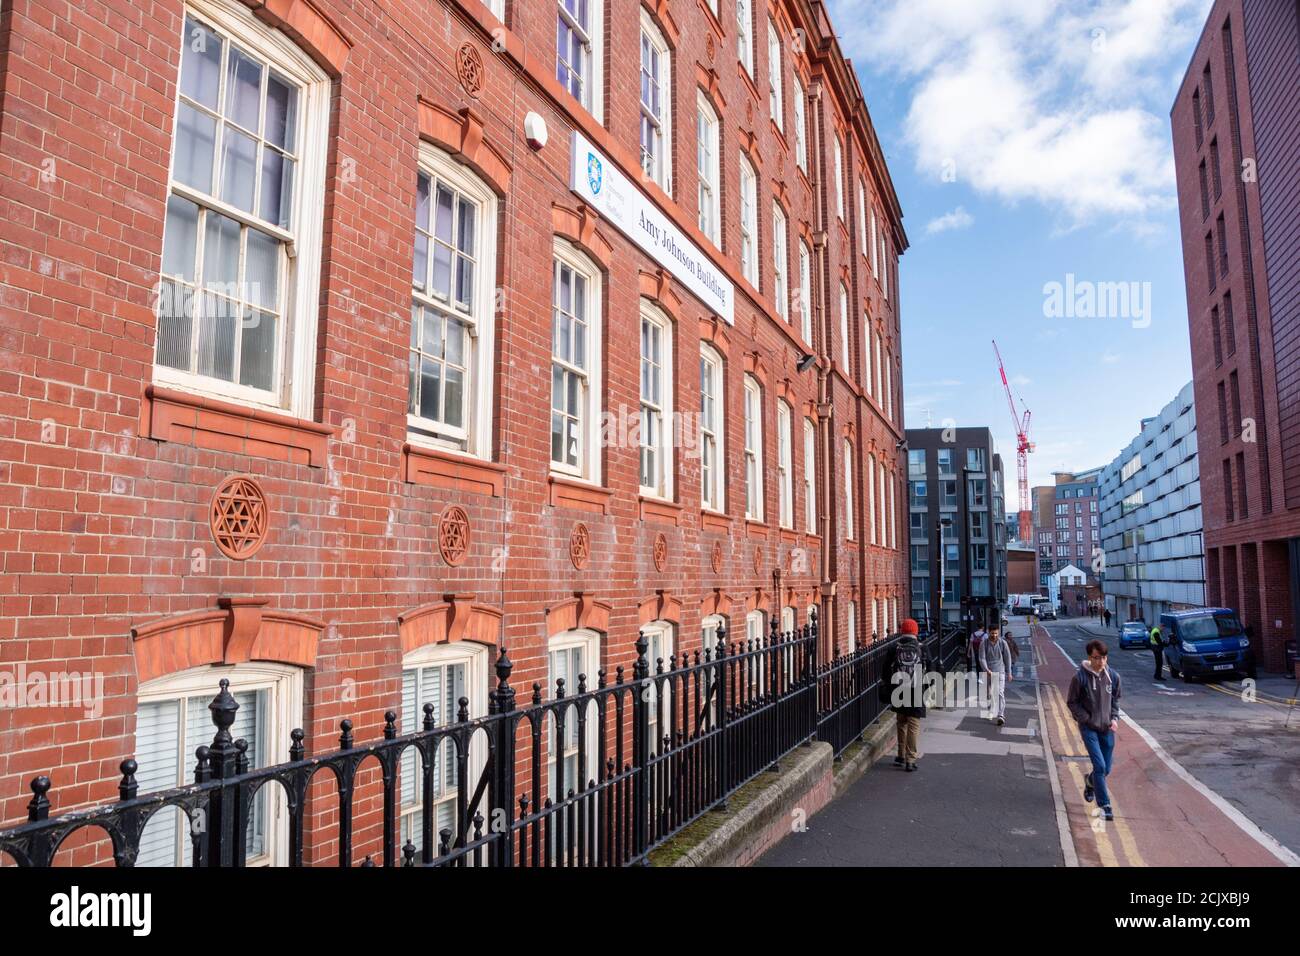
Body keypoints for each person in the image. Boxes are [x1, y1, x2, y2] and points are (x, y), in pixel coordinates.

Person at [1066, 640, 1122, 821]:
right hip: (1089, 728)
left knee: (1106, 769)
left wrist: (1114, 718)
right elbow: (1072, 702)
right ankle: (1104, 805)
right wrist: (1085, 718)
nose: (1101, 662)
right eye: (1097, 658)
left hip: (1107, 728)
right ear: (1089, 657)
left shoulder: (1113, 676)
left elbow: (1116, 700)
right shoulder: (1080, 678)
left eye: (1104, 658)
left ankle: (1090, 782)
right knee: (1099, 766)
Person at [881, 619, 929, 771]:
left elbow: (885, 670)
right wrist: (925, 687)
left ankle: (900, 755)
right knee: (913, 725)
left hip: (899, 690)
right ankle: (911, 759)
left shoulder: (893, 648)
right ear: (915, 631)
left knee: (901, 723)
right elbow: (932, 670)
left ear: (902, 631)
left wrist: (891, 686)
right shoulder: (922, 647)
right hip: (915, 690)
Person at [979, 624, 1014, 725]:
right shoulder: (984, 643)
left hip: (1000, 671)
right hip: (988, 672)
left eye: (996, 633)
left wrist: (1009, 673)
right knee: (989, 694)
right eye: (992, 633)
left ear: (998, 632)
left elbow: (1007, 658)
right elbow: (982, 658)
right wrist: (986, 669)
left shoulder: (1003, 643)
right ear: (988, 632)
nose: (994, 635)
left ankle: (1001, 715)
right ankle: (991, 710)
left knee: (999, 692)